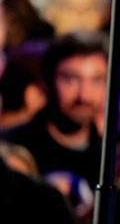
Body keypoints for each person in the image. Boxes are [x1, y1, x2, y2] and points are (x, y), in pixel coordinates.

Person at [2, 32, 108, 186]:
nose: (84, 96)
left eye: (96, 80)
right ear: (48, 81)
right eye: (71, 79)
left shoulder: (113, 156)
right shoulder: (11, 148)